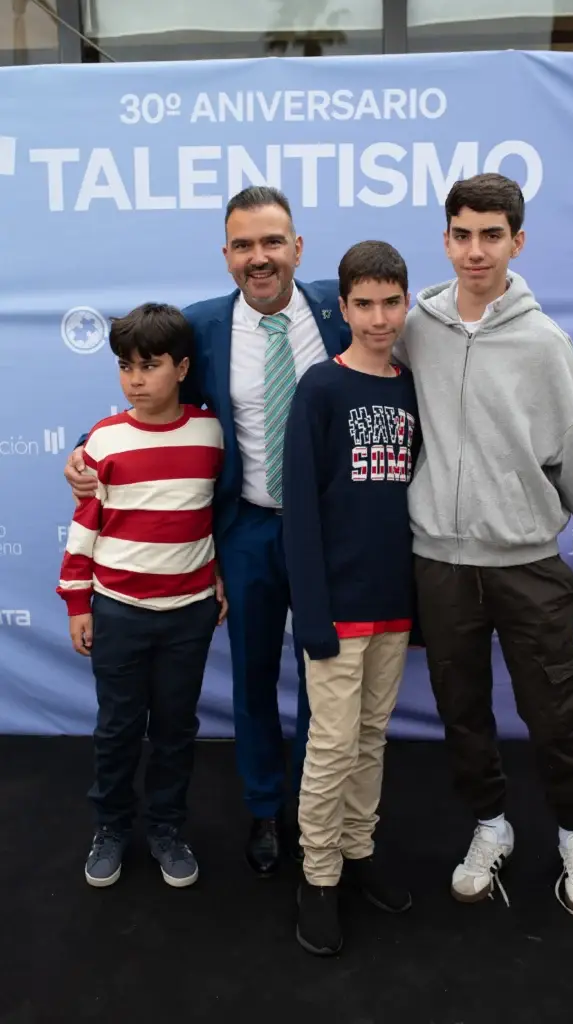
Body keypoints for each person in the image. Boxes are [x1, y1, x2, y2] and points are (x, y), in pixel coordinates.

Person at [63, 187, 350, 876]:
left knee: (328, 680)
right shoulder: (202, 328)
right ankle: (265, 811)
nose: (260, 257)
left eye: (272, 242)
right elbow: (149, 405)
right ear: (226, 256)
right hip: (247, 530)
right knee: (253, 678)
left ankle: (317, 811)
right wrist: (82, 452)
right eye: (244, 245)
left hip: (328, 533)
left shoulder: (340, 313)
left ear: (298, 248)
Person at [395, 173, 573, 930]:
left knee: (553, 714)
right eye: (462, 234)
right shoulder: (415, 328)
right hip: (441, 564)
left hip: (528, 565)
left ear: (517, 242)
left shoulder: (545, 343)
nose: (476, 250)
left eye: (492, 235)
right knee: (462, 711)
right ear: (446, 240)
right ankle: (491, 825)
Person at [57, 303, 227, 888]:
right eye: (125, 366)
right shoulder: (103, 441)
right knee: (118, 728)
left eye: (149, 365)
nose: (135, 379)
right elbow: (85, 528)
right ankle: (110, 827)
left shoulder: (211, 433)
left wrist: (218, 574)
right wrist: (78, 603)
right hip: (118, 612)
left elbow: (218, 514)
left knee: (176, 730)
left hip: (189, 614)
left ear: (182, 368)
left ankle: (166, 828)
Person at [282, 241, 419, 956]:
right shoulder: (320, 388)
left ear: (406, 304)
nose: (378, 318)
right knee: (331, 745)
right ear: (343, 308)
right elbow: (300, 510)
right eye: (363, 304)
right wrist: (312, 611)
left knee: (371, 738)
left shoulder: (410, 387)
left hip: (393, 601)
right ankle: (319, 875)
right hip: (337, 607)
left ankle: (359, 850)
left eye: (390, 303)